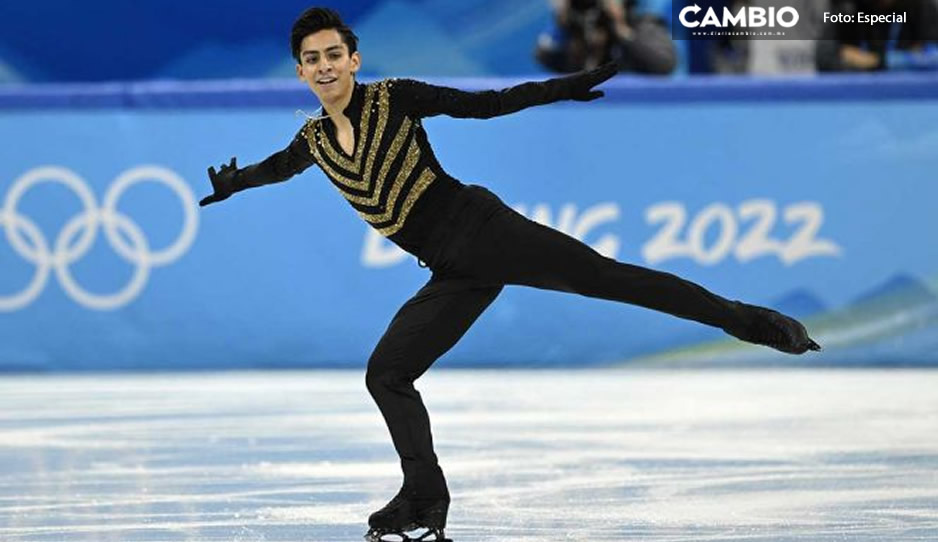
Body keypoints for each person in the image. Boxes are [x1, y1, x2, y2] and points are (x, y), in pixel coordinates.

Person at [200, 7, 820, 541]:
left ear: (355, 59)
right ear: (301, 72)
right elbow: (280, 166)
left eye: (335, 53)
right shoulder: (313, 139)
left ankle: (752, 322)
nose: (326, 65)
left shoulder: (395, 97)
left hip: (485, 230)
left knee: (612, 279)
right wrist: (236, 182)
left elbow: (487, 105)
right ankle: (424, 498)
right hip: (452, 269)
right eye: (313, 59)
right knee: (387, 373)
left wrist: (563, 87)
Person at [535, 0, 678, 74]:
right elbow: (544, 55)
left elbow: (664, 65)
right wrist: (562, 21)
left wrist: (622, 31)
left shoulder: (642, 26)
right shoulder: (572, 33)